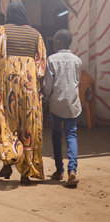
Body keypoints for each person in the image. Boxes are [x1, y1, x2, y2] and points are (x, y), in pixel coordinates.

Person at [0, 1, 46, 185]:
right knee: (28, 126)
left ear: (9, 14)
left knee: (4, 123)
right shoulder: (36, 34)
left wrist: (0, 68)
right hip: (29, 89)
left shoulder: (2, 31)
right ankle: (25, 173)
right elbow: (41, 65)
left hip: (7, 88)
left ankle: (8, 161)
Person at [44, 29, 81, 188]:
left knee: (57, 136)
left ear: (58, 42)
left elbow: (47, 85)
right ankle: (72, 170)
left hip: (56, 104)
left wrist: (45, 97)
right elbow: (77, 80)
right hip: (72, 103)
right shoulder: (77, 60)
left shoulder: (51, 60)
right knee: (71, 135)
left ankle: (59, 170)